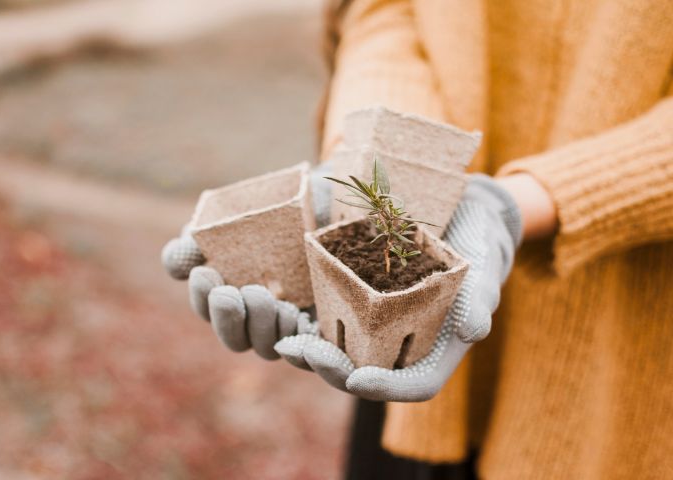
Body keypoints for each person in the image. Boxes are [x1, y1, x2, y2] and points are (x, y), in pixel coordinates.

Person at [163, 0, 673, 478]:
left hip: (631, 360)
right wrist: (371, 153)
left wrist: (530, 201)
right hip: (403, 346)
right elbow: (390, 11)